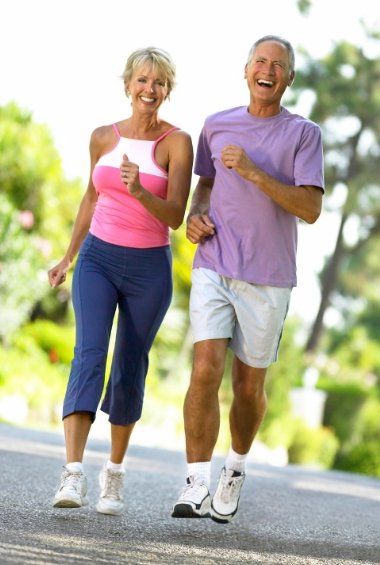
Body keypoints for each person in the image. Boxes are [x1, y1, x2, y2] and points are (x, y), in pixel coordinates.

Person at [171, 35, 324, 523]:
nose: (268, 69)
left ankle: (233, 468)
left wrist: (257, 174)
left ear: (289, 79)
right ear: (245, 70)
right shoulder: (216, 125)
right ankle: (195, 481)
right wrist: (195, 216)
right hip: (215, 263)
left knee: (248, 386)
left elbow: (312, 209)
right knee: (204, 369)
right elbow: (206, 185)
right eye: (260, 60)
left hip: (269, 276)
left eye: (278, 65)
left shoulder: (304, 134)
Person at [48, 46, 193, 515]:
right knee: (89, 353)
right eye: (142, 80)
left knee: (129, 366)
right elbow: (90, 199)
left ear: (168, 91)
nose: (149, 89)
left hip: (149, 269)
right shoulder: (101, 138)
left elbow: (175, 216)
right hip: (97, 259)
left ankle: (113, 475)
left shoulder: (176, 143)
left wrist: (137, 190)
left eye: (159, 83)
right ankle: (72, 475)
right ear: (127, 85)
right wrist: (68, 257)